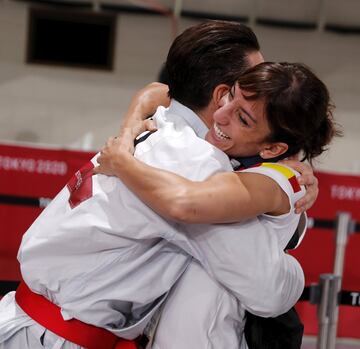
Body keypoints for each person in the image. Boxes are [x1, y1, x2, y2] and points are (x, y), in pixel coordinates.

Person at [0, 21, 316, 349]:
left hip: (28, 321)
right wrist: (287, 201)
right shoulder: (196, 161)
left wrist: (284, 181)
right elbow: (268, 288)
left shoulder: (157, 125)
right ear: (222, 93)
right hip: (54, 338)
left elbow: (156, 91)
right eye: (249, 83)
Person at [96, 61, 339, 349]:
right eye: (230, 94)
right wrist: (127, 131)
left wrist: (122, 162)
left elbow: (185, 204)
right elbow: (157, 92)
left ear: (273, 148)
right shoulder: (226, 154)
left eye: (243, 118)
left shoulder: (277, 179)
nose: (220, 114)